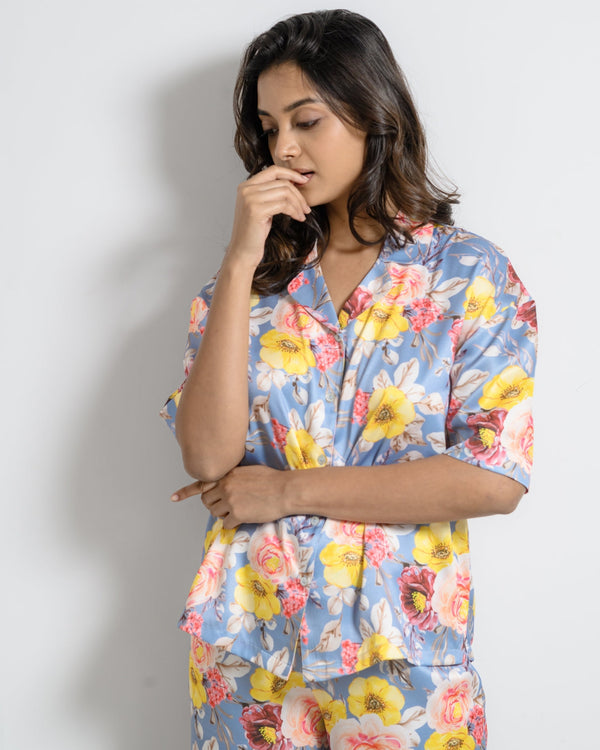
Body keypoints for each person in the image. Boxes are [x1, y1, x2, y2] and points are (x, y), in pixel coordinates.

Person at [161, 9, 537, 750]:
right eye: (269, 128)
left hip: (405, 656)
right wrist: (239, 262)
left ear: (373, 114)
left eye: (307, 121)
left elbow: (493, 478)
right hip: (248, 652)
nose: (284, 148)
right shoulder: (245, 288)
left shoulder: (469, 274)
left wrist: (286, 491)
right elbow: (206, 456)